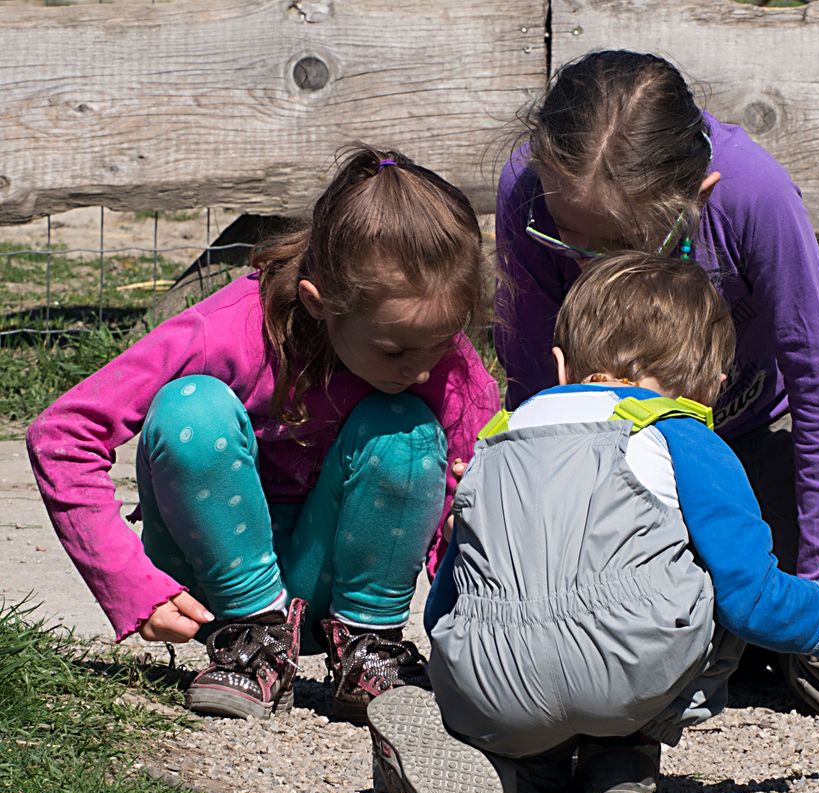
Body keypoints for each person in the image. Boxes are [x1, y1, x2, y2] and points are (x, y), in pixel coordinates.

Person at [364, 252, 819, 793]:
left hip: (490, 680)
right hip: (630, 673)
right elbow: (750, 597)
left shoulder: (496, 438)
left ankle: (519, 771)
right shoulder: (682, 434)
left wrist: (459, 689)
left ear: (561, 366)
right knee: (704, 570)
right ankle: (626, 752)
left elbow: (447, 599)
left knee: (529, 643)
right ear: (713, 386)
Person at [492, 49, 819, 720]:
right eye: (572, 243)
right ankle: (733, 617)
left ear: (696, 199)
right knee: (596, 674)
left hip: (757, 437)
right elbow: (535, 384)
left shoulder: (752, 195)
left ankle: (747, 609)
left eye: (618, 244)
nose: (589, 262)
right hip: (615, 463)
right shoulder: (531, 189)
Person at [26, 146, 499, 722]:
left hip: (326, 588)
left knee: (407, 433)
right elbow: (62, 435)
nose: (424, 369)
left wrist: (478, 642)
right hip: (210, 583)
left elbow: (474, 515)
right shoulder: (226, 332)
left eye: (442, 342)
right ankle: (254, 640)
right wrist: (129, 583)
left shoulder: (449, 368)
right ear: (317, 302)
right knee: (189, 410)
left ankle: (368, 647)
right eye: (396, 349)